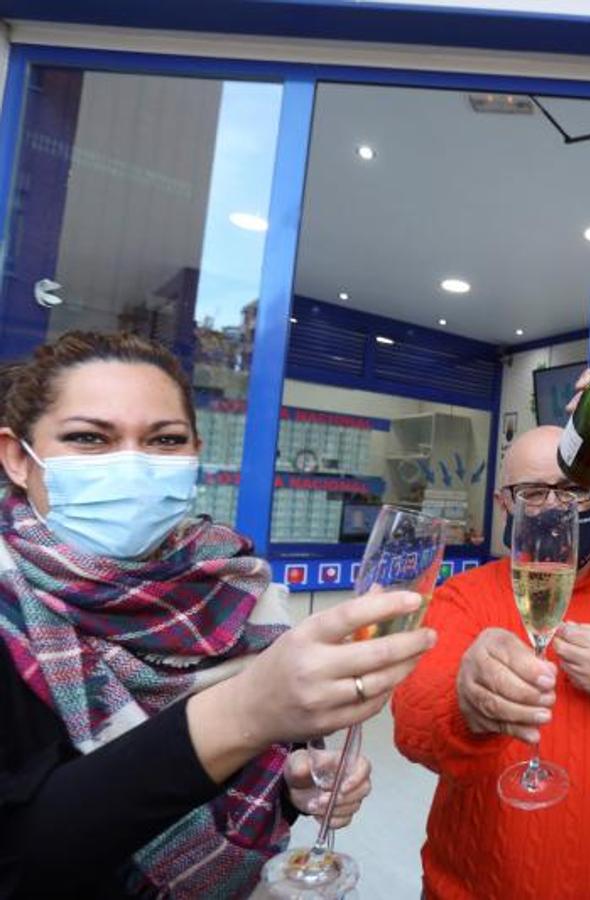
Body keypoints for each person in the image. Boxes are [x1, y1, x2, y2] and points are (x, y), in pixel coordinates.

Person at [0, 331, 436, 898]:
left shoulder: (238, 585)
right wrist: (245, 711)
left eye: (164, 440)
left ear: (194, 452)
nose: (132, 465)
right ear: (16, 456)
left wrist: (291, 788)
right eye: (88, 437)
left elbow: (251, 782)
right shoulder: (13, 615)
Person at [392, 425, 590, 900]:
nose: (554, 508)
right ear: (503, 506)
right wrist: (466, 703)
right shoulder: (461, 598)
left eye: (572, 489)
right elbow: (412, 729)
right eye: (533, 493)